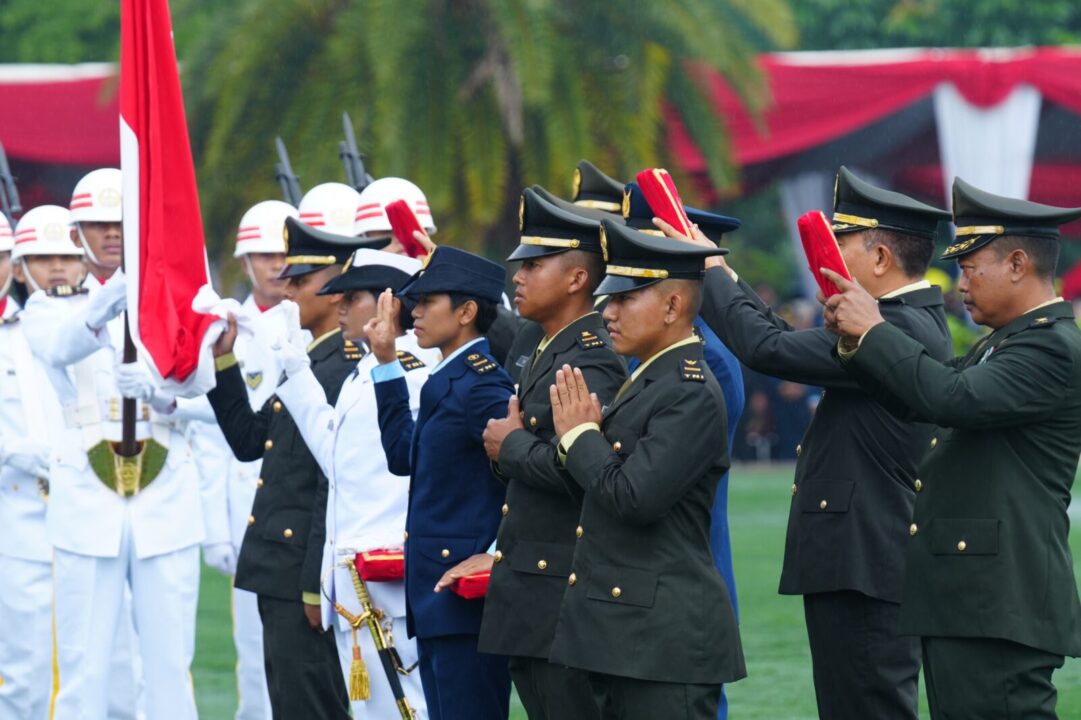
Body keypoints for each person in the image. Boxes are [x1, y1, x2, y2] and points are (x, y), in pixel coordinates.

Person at [658, 166, 953, 719]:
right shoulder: (899, 321)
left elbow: (768, 349)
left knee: (869, 708)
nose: (828, 259)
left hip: (867, 564)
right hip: (860, 560)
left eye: (841, 244)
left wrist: (711, 270)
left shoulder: (895, 328)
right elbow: (780, 339)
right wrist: (724, 273)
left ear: (880, 258)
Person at [822, 177, 1081, 719]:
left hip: (998, 601)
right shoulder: (1007, 342)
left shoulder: (1051, 347)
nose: (960, 283)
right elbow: (922, 399)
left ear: (1017, 264)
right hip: (972, 599)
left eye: (970, 267)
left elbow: (951, 397)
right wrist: (855, 342)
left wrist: (875, 331)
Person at [548, 219, 744, 719]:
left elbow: (635, 497)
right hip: (629, 634)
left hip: (662, 642)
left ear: (673, 306)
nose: (607, 312)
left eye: (624, 298)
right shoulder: (651, 379)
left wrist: (579, 436)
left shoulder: (689, 389)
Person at [444, 189, 623, 720]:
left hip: (563, 593)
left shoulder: (590, 358)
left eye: (534, 265)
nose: (517, 277)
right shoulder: (543, 344)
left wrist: (511, 446)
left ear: (577, 278)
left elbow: (586, 470)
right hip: (531, 591)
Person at [20, 198, 200, 717]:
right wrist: (119, 292)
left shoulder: (179, 302)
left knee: (170, 668)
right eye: (97, 225)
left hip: (165, 495)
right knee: (84, 669)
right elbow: (59, 347)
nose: (112, 234)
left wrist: (164, 396)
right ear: (77, 234)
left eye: (120, 223)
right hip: (86, 497)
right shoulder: (50, 306)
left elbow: (214, 399)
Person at [207, 211, 385, 720]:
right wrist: (223, 361)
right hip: (279, 571)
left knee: (311, 706)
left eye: (300, 281)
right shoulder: (309, 363)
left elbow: (333, 483)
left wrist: (315, 584)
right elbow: (250, 441)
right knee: (291, 703)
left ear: (334, 290)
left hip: (301, 576)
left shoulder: (341, 369)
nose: (286, 291)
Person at [274, 248, 436, 718]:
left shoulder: (416, 371)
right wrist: (297, 372)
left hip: (392, 573)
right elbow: (336, 461)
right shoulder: (363, 371)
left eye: (352, 297)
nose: (339, 307)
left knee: (409, 708)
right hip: (357, 577)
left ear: (391, 302)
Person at [370, 246, 514, 720]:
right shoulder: (450, 377)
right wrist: (386, 363)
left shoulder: (482, 385)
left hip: (464, 600)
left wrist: (498, 551)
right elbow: (402, 456)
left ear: (467, 312)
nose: (414, 312)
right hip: (438, 601)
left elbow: (526, 474)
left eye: (428, 301)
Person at [188, 199, 298, 720]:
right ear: (244, 261)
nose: (277, 264)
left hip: (308, 510)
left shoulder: (315, 325)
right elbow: (213, 437)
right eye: (264, 254)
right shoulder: (226, 328)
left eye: (285, 253)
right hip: (247, 508)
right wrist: (216, 528)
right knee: (255, 656)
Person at [0, 209, 76, 719]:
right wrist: (12, 450)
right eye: (41, 258)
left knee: (78, 661)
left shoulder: (34, 330)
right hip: (12, 513)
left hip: (71, 511)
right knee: (20, 668)